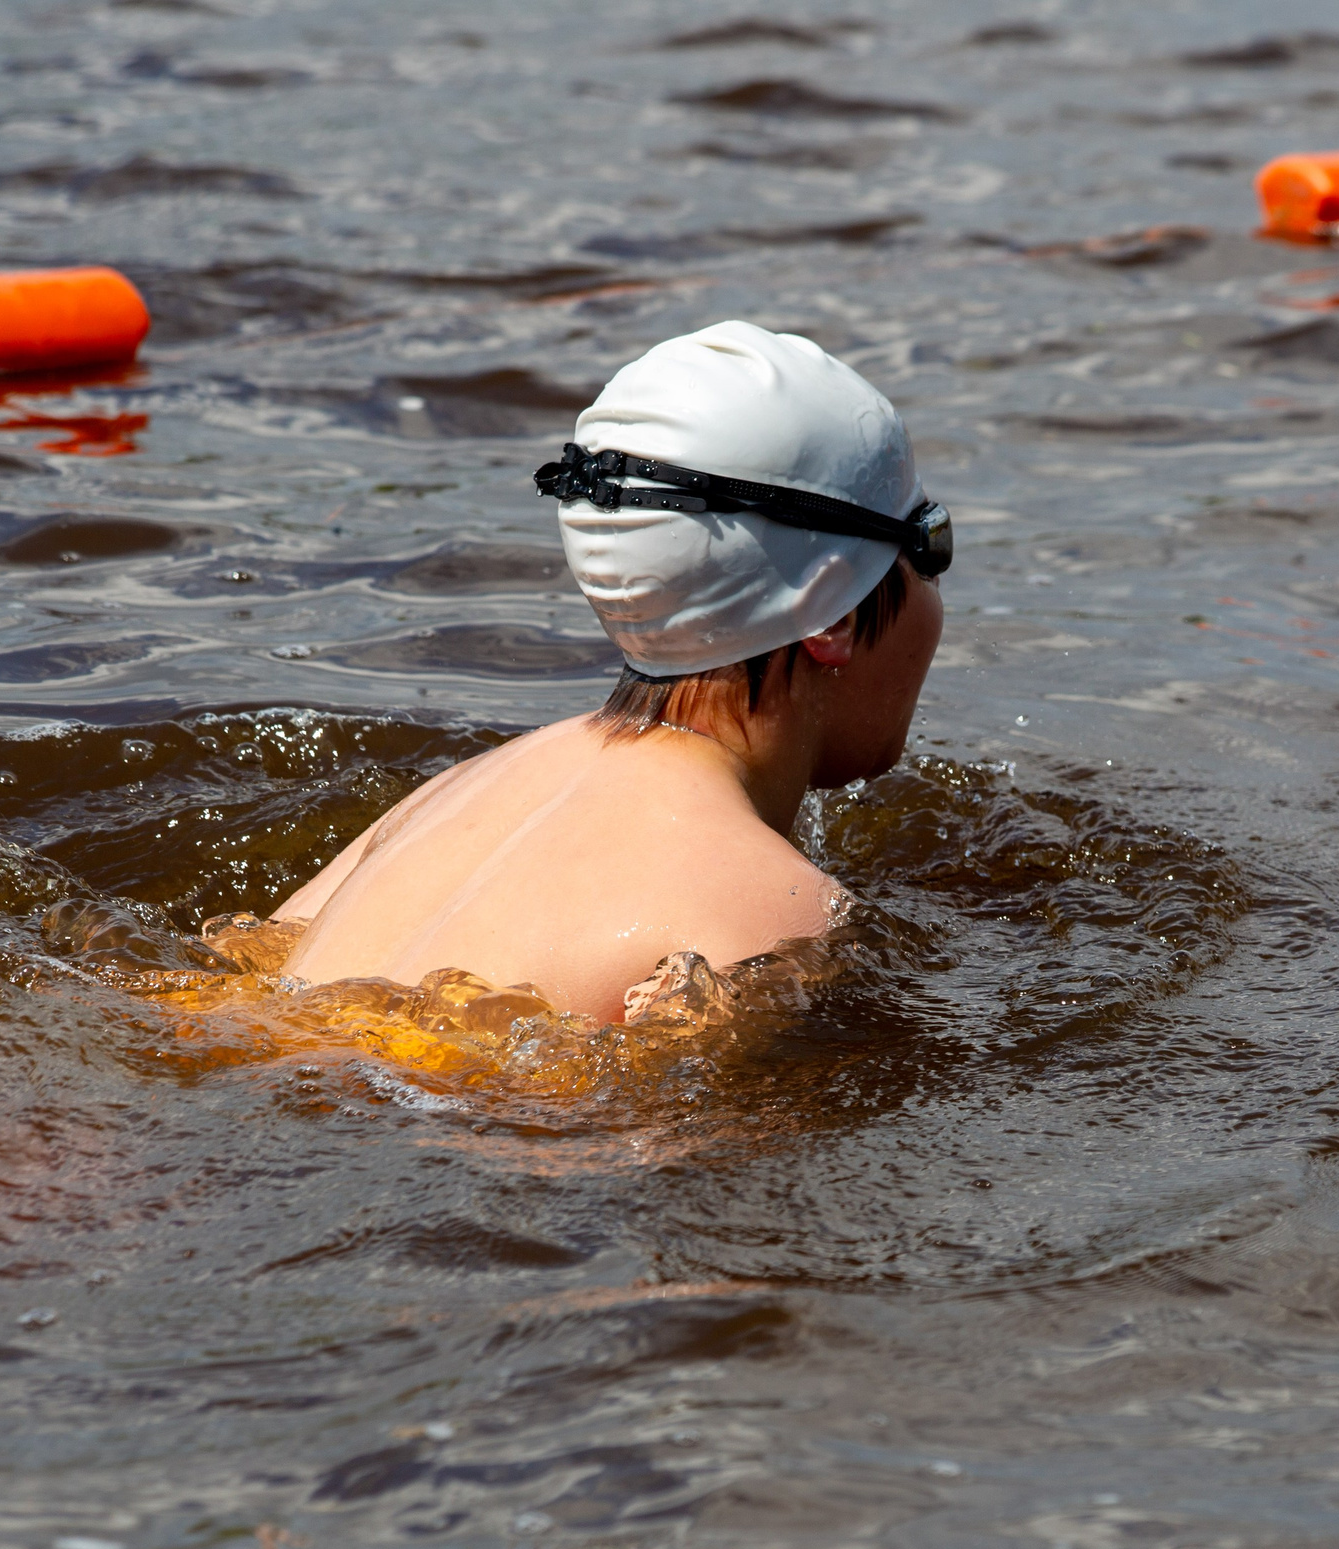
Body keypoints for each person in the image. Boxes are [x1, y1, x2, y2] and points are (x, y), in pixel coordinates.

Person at [269, 321, 950, 1024]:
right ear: (830, 616)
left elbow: (250, 988)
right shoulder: (778, 914)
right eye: (931, 541)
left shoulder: (453, 796)